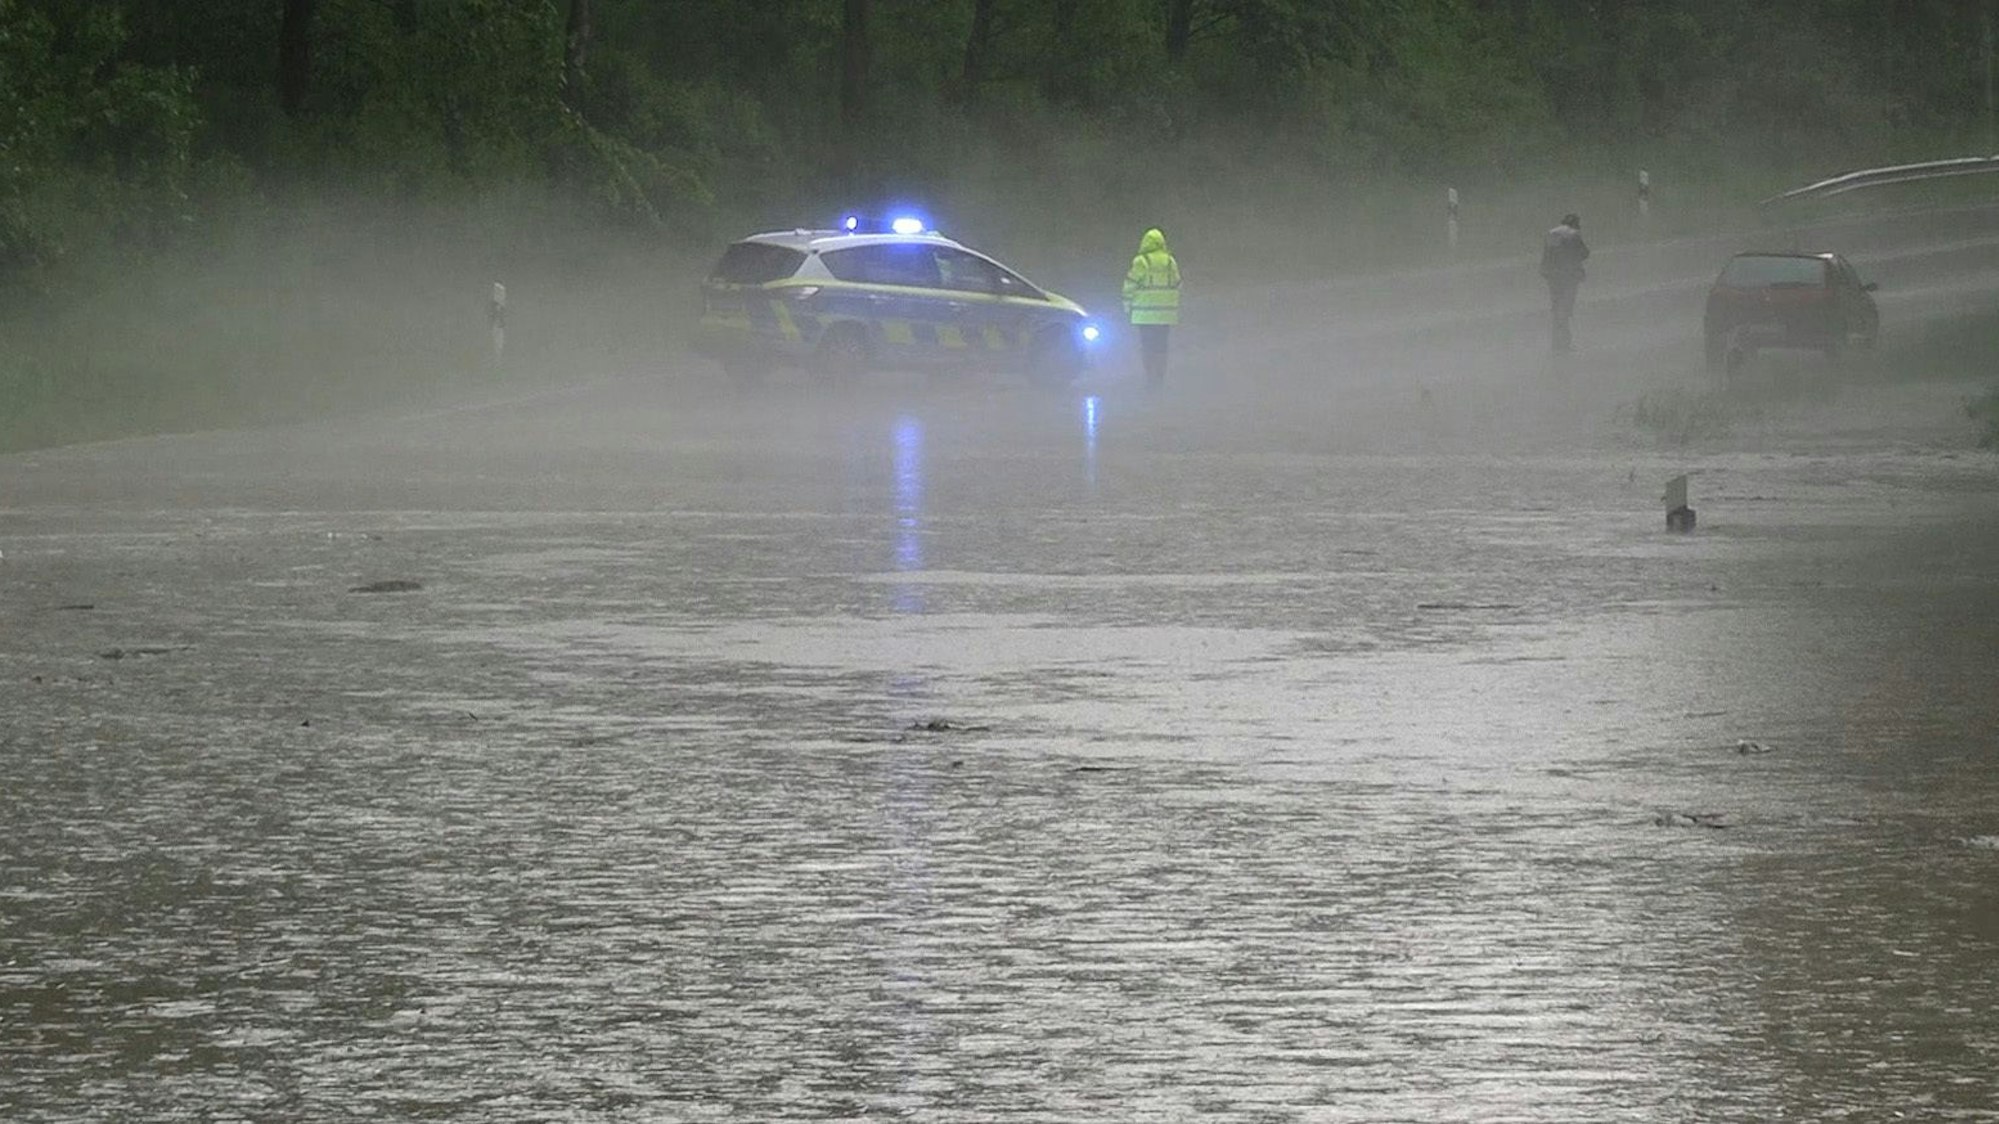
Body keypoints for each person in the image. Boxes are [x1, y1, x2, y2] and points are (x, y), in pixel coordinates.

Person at [1122, 227, 1181, 385]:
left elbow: (1130, 285)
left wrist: (1127, 306)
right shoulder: (1170, 261)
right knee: (1161, 346)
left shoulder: (1141, 262)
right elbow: (1178, 284)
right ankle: (1160, 376)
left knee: (1147, 347)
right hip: (1165, 315)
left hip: (1144, 315)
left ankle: (1150, 377)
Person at [1539, 212, 1589, 354]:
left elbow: (1547, 255)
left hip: (1551, 277)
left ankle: (1556, 344)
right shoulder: (1573, 234)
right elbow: (1584, 253)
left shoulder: (1551, 233)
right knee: (1565, 309)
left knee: (1556, 309)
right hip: (1568, 277)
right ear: (1575, 224)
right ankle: (1565, 344)